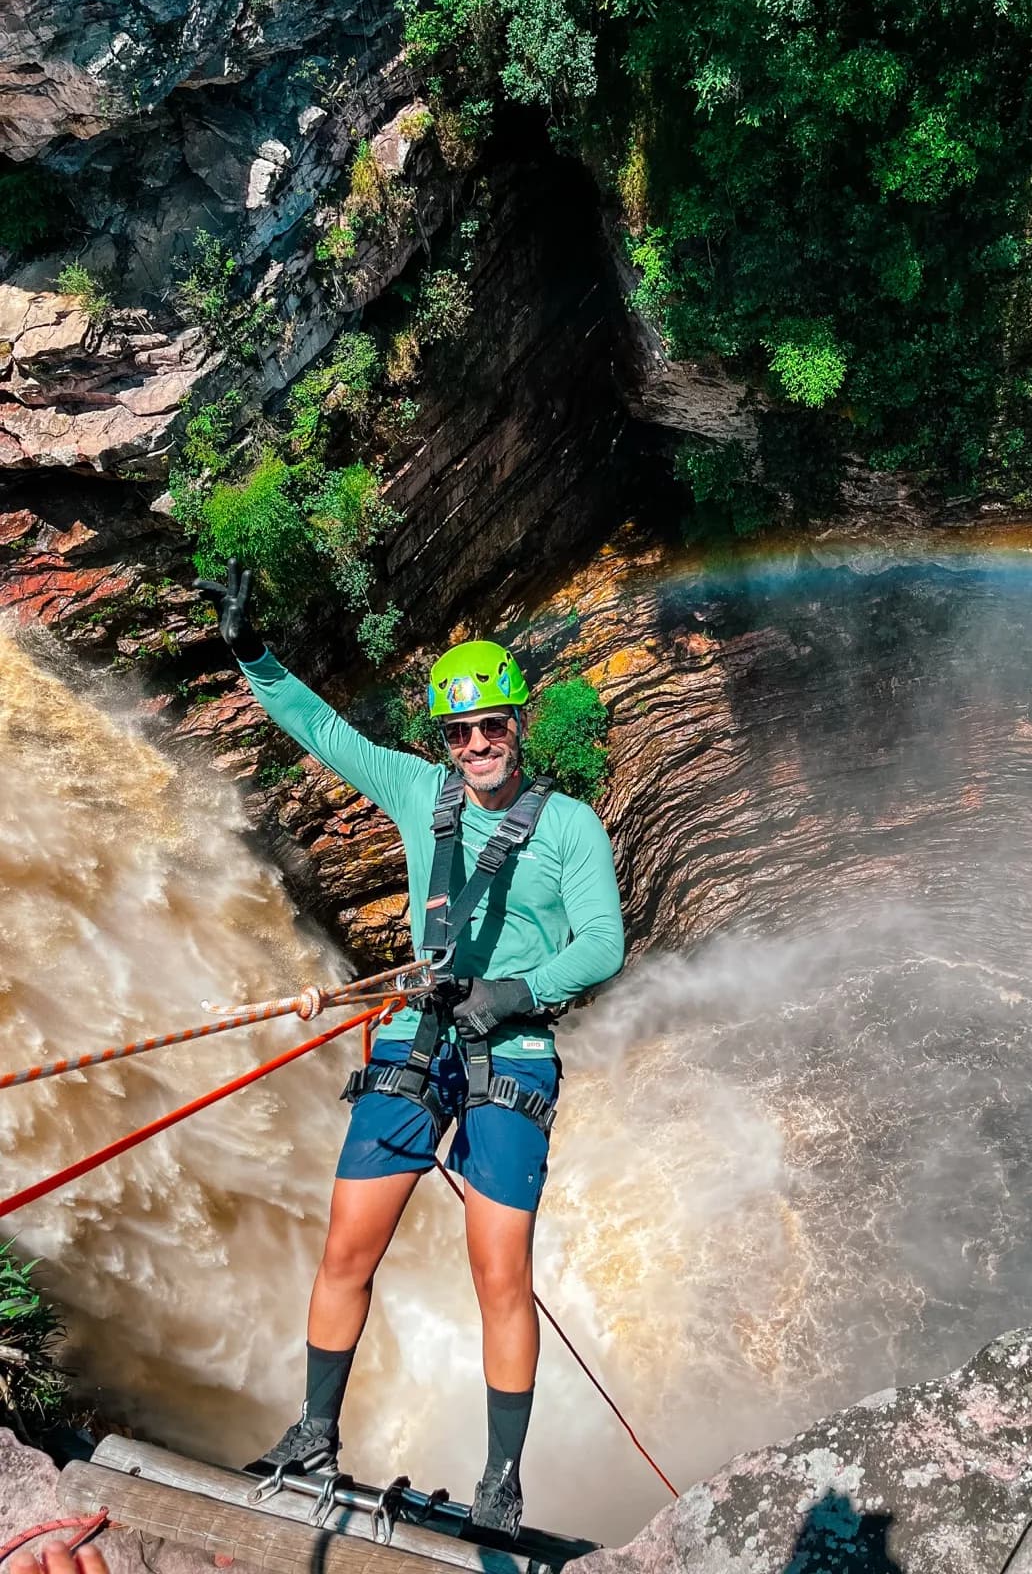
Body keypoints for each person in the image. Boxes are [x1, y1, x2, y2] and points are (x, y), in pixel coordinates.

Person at [194, 559, 625, 1539]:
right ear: (445, 740)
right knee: (349, 1242)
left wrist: (517, 990)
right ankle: (312, 1429)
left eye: (493, 727)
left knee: (499, 1272)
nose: (478, 745)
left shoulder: (568, 827)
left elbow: (602, 944)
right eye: (462, 732)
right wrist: (247, 649)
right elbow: (324, 732)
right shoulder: (415, 786)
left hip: (510, 1050)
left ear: (520, 724)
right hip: (412, 1032)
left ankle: (501, 1484)